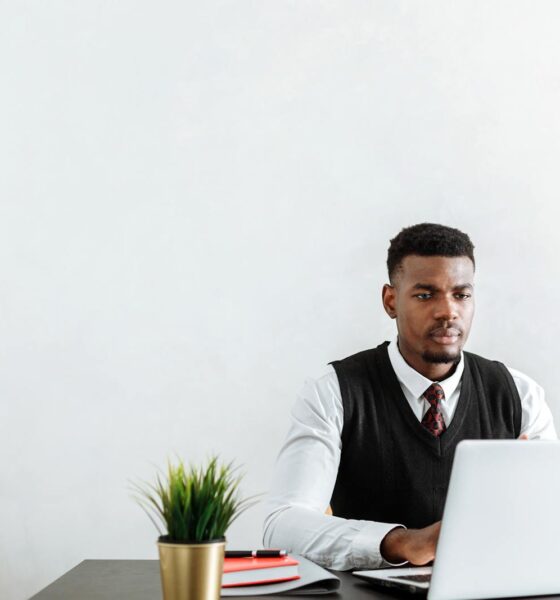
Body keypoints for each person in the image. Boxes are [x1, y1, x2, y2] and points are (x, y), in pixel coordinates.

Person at [262, 223, 557, 571]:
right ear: (390, 301)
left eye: (461, 294)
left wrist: (533, 500)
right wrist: (401, 543)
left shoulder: (519, 394)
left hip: (492, 590)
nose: (447, 311)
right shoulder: (335, 392)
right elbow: (282, 524)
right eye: (425, 294)